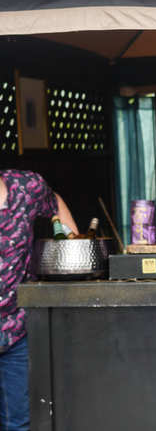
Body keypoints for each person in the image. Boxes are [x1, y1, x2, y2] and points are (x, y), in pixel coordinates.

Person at [0, 169, 78, 431]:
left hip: (15, 328)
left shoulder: (25, 187)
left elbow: (53, 202)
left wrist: (72, 242)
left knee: (18, 423)